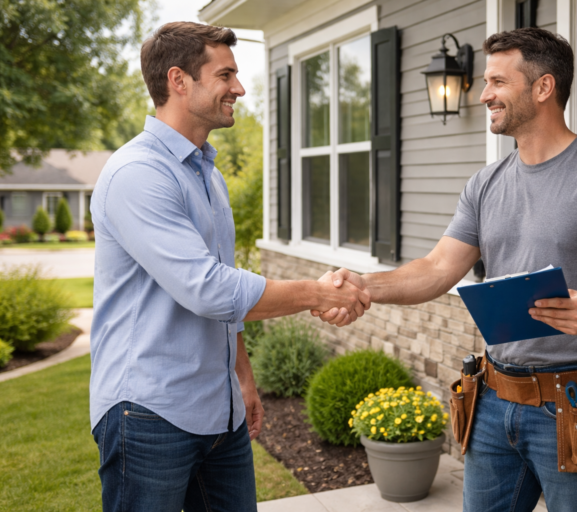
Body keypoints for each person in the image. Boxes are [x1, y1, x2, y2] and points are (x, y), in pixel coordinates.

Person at [313, 28, 577, 511]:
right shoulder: (486, 184)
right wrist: (363, 285)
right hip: (492, 400)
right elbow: (437, 268)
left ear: (543, 87)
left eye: (497, 82)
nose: (484, 94)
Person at [89, 22, 369, 512]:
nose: (239, 88)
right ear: (179, 81)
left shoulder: (208, 174)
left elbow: (223, 291)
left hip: (220, 411)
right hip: (148, 412)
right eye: (226, 75)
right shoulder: (137, 174)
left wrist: (242, 375)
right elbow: (210, 290)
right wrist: (320, 294)